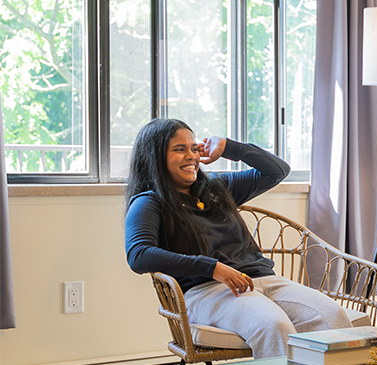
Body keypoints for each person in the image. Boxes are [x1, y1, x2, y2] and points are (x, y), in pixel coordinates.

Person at [124, 119, 351, 358]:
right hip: (207, 290)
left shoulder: (217, 187)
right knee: (274, 325)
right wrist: (212, 268)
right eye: (180, 149)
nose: (191, 156)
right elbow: (139, 255)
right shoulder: (148, 203)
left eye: (194, 148)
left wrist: (231, 148)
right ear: (156, 157)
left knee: (333, 317)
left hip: (264, 280)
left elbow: (277, 171)